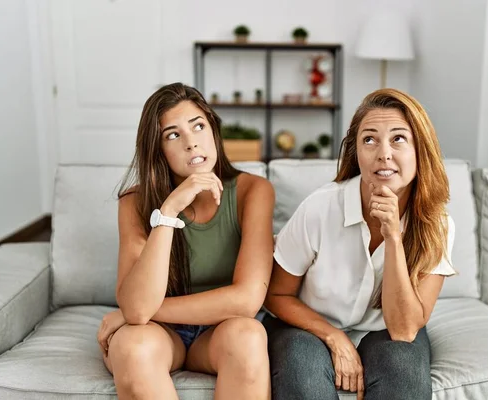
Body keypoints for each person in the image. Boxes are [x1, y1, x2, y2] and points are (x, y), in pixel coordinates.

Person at [263, 88, 456, 400]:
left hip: (386, 330)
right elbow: (276, 294)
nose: (384, 153)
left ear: (420, 149)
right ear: (356, 152)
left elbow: (405, 330)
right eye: (369, 139)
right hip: (307, 327)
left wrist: (393, 237)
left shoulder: (438, 226)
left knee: (404, 375)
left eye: (398, 139)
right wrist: (333, 336)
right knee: (304, 381)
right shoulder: (320, 208)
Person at [95, 83, 274, 400]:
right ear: (158, 149)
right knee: (131, 347)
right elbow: (137, 308)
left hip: (221, 329)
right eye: (173, 135)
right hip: (162, 334)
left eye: (198, 127)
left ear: (213, 131)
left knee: (248, 336)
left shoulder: (253, 191)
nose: (192, 143)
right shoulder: (134, 203)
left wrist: (139, 312)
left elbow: (247, 301)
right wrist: (168, 212)